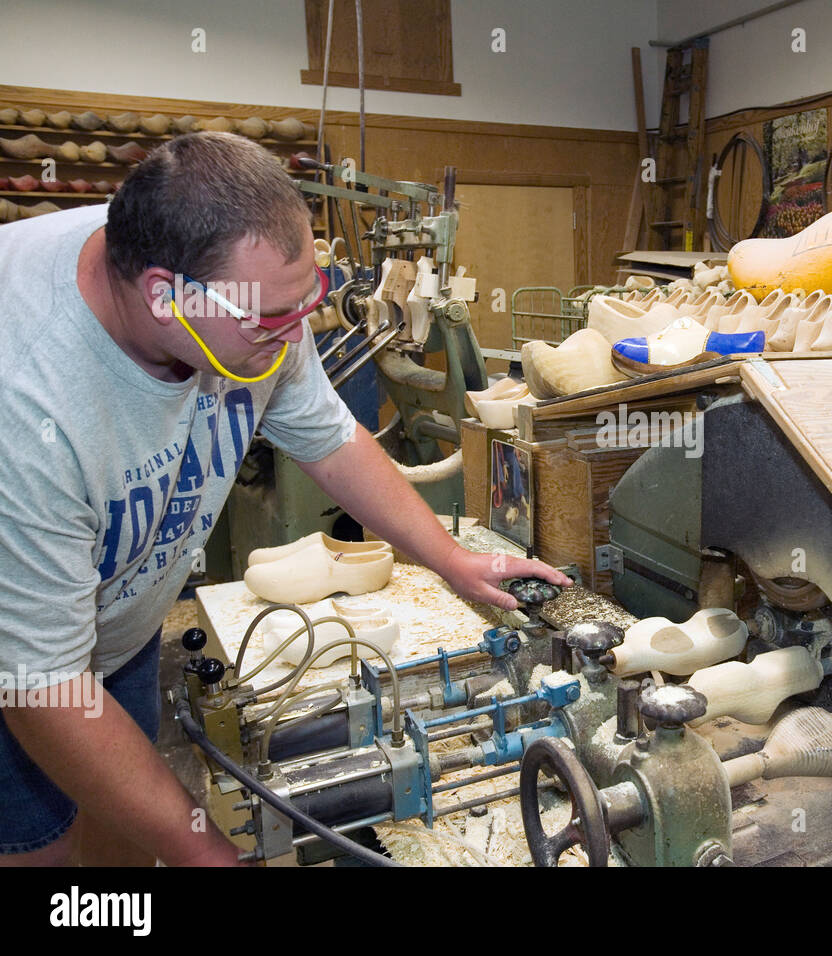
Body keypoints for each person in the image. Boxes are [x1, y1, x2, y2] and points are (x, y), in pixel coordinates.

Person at [0, 132, 569, 866]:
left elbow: (330, 439)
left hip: (117, 619)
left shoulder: (251, 297)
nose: (296, 334)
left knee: (123, 843)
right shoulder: (29, 403)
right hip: (21, 662)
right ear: (162, 297)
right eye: (274, 319)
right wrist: (213, 855)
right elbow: (42, 687)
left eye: (309, 302)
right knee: (42, 856)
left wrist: (451, 561)